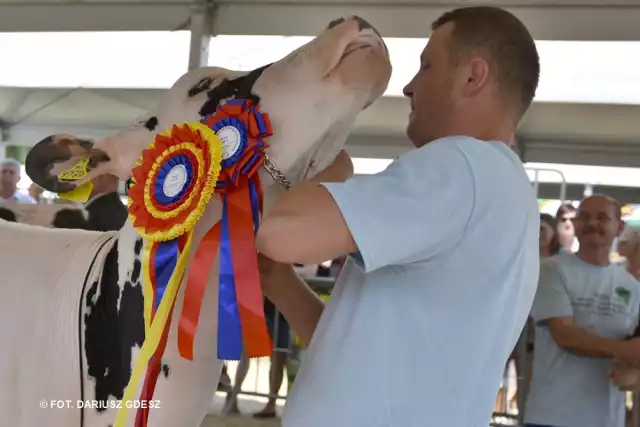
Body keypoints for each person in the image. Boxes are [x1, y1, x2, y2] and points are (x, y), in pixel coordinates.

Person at [255, 6, 541, 426]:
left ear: (472, 76)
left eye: (427, 66)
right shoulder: (505, 191)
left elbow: (280, 233)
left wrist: (335, 166)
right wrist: (280, 282)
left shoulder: (462, 163)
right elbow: (357, 356)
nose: (409, 86)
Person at [523, 195, 640, 427]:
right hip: (551, 417)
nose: (592, 223)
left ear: (619, 227)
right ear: (575, 226)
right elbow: (565, 337)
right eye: (584, 217)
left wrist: (634, 372)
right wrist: (624, 350)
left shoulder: (632, 287)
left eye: (602, 217)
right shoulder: (552, 271)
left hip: (606, 419)